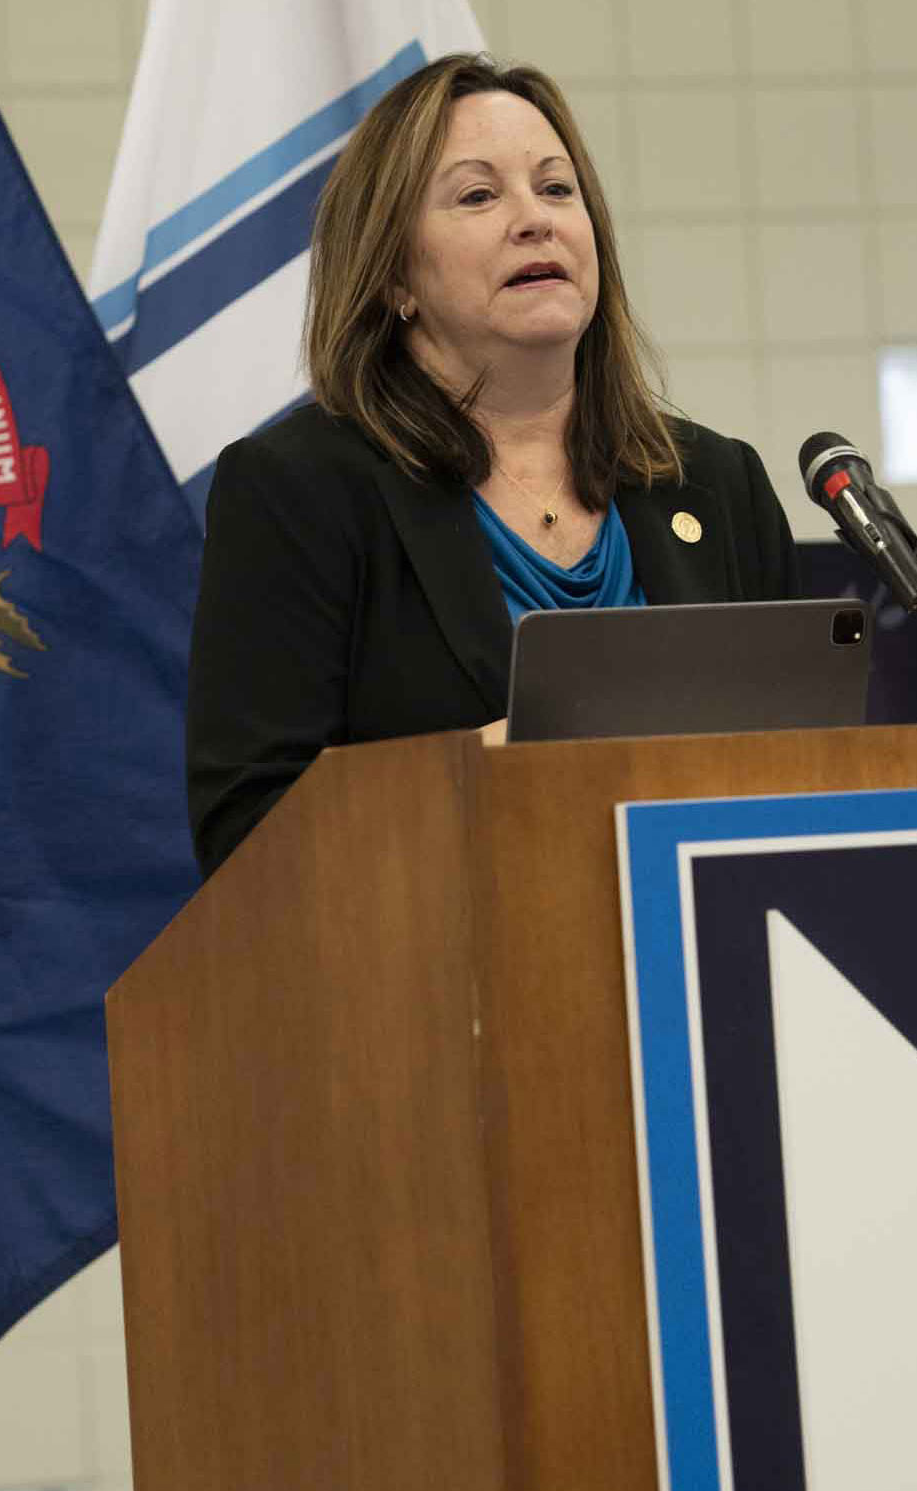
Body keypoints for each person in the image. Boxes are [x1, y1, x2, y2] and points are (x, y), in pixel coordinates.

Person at [186, 54, 798, 878]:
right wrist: (497, 763)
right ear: (395, 272)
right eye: (478, 195)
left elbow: (805, 779)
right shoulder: (301, 490)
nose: (535, 220)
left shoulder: (716, 484)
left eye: (556, 189)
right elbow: (247, 834)